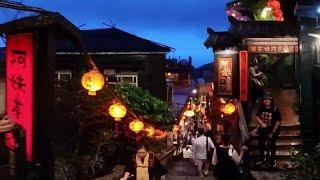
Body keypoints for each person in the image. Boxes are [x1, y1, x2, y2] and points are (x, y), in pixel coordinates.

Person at [255, 91, 281, 167]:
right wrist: (261, 123)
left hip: (273, 130)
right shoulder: (262, 107)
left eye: (268, 99)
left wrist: (272, 132)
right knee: (260, 144)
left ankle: (273, 160)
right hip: (263, 130)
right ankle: (262, 158)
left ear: (271, 100)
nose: (266, 101)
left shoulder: (275, 108)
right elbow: (257, 116)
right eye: (265, 99)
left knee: (272, 145)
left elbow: (278, 122)